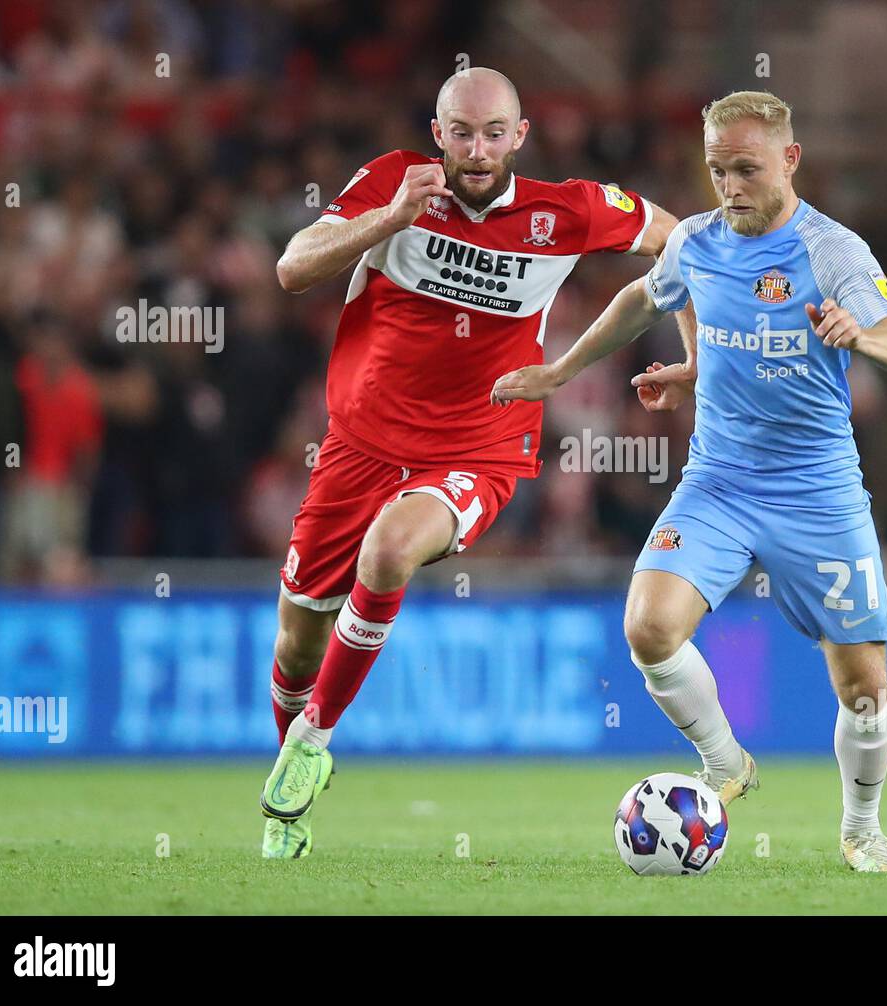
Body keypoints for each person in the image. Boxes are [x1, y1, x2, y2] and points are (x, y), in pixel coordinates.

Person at [490, 90, 887, 873]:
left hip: (816, 490)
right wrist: (560, 370)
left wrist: (862, 333)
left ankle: (862, 830)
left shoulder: (833, 252)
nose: (730, 186)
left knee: (863, 688)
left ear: (790, 161)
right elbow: (640, 298)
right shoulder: (695, 242)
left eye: (747, 170)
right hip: (720, 483)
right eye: (718, 170)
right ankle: (726, 762)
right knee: (648, 628)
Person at [259, 67, 682, 859]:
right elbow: (292, 267)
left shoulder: (569, 211)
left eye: (494, 133)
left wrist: (698, 346)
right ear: (437, 132)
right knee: (294, 649)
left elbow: (684, 242)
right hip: (358, 445)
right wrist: (389, 219)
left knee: (389, 551)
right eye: (462, 132)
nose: (478, 149)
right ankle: (293, 787)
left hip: (478, 446)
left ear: (521, 136)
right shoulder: (393, 183)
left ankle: (314, 738)